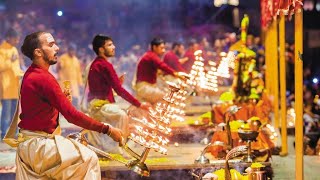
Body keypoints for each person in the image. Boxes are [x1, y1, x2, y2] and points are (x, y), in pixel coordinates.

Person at [6, 31, 123, 179]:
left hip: (32, 145)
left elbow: (39, 111)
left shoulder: (33, 73)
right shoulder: (43, 78)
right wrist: (108, 129)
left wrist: (60, 101)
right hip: (39, 147)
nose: (57, 48)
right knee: (89, 159)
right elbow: (72, 115)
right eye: (51, 45)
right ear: (38, 52)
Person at [86, 34, 150, 153]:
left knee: (126, 114)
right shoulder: (104, 65)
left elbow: (103, 87)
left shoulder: (97, 63)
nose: (114, 47)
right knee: (122, 115)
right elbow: (120, 91)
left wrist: (115, 84)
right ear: (101, 49)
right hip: (99, 106)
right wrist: (139, 104)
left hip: (98, 103)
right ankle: (117, 148)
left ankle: (117, 145)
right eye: (109, 45)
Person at [134, 37, 179, 104]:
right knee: (166, 97)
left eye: (164, 48)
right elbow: (163, 66)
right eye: (161, 48)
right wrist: (176, 74)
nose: (164, 50)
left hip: (147, 87)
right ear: (154, 47)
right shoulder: (151, 56)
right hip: (145, 88)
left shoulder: (151, 56)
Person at [0, 28, 23, 139]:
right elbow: (1, 66)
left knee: (14, 114)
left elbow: (16, 67)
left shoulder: (14, 49)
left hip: (14, 86)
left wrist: (22, 74)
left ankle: (13, 134)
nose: (17, 41)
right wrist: (10, 60)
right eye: (15, 39)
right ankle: (4, 134)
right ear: (9, 38)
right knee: (6, 114)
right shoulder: (2, 50)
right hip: (6, 86)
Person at [57, 43, 83, 109]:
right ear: (68, 50)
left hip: (74, 84)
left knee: (75, 99)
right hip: (65, 83)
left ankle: (74, 114)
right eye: (71, 50)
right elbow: (60, 67)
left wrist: (80, 83)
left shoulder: (76, 60)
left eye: (74, 50)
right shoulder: (63, 58)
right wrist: (60, 65)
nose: (72, 52)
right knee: (64, 100)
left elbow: (78, 73)